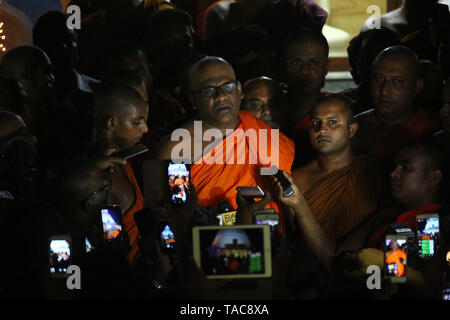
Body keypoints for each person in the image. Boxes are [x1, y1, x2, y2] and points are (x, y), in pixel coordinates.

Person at [153, 56, 294, 223]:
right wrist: (235, 219)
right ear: (192, 98)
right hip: (207, 244)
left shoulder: (264, 134)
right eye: (208, 91)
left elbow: (289, 202)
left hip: (272, 239)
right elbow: (160, 219)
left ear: (240, 90)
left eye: (227, 87)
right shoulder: (173, 147)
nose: (221, 97)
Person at [272, 141, 446, 277]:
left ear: (433, 177)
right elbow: (333, 258)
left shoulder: (431, 223)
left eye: (406, 168)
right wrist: (299, 203)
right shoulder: (385, 217)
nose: (394, 174)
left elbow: (427, 285)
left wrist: (383, 267)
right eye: (395, 167)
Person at [291, 94, 390, 240]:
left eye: (332, 122)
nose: (322, 130)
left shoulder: (374, 172)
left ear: (351, 130)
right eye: (315, 123)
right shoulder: (297, 180)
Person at [88, 81, 149, 263]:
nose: (144, 129)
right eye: (137, 122)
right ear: (112, 122)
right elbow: (113, 246)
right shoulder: (103, 175)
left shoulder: (119, 161)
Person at [351, 46, 441, 163]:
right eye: (378, 78)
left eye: (397, 81)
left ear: (417, 86)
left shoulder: (431, 128)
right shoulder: (353, 127)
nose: (384, 90)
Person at [279, 28, 330, 168]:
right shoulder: (267, 109)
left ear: (326, 67)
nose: (305, 71)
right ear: (282, 65)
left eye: (313, 62)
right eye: (296, 62)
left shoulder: (338, 113)